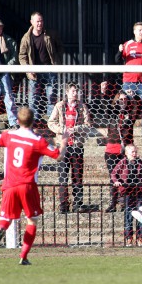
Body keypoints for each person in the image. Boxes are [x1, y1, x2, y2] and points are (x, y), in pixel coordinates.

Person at [0, 107, 68, 265]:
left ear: (17, 121)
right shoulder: (37, 141)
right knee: (32, 220)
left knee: (6, 217)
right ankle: (23, 256)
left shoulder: (9, 135)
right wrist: (63, 141)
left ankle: (0, 229)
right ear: (33, 121)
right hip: (27, 185)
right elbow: (58, 156)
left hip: (9, 184)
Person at [47, 83, 91, 213]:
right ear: (67, 92)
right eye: (73, 91)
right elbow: (50, 122)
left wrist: (75, 129)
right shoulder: (60, 106)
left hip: (77, 145)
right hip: (63, 146)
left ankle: (78, 203)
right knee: (62, 176)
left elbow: (88, 125)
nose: (75, 93)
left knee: (77, 176)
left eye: (77, 91)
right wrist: (62, 130)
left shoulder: (82, 107)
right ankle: (63, 204)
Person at [115, 22, 142, 139]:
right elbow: (117, 60)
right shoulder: (128, 44)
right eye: (139, 30)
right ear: (134, 32)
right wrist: (119, 51)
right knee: (124, 105)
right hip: (128, 81)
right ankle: (123, 129)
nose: (141, 32)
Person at [18, 12, 64, 121]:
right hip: (34, 71)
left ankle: (51, 121)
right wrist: (28, 69)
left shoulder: (50, 34)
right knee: (33, 98)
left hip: (49, 69)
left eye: (41, 21)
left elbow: (60, 47)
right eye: (37, 21)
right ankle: (34, 121)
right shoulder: (26, 38)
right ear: (32, 22)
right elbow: (22, 56)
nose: (40, 23)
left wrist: (57, 61)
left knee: (51, 96)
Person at [103, 89, 139, 213]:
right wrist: (105, 92)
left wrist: (133, 97)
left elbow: (138, 107)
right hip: (112, 150)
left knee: (125, 176)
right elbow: (106, 105)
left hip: (126, 151)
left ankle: (124, 202)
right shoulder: (112, 114)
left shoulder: (130, 115)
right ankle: (113, 202)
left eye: (125, 99)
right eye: (120, 99)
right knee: (113, 176)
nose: (123, 101)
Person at [111, 144, 142, 246]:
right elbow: (113, 174)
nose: (134, 154)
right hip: (128, 191)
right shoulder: (122, 163)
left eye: (135, 152)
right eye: (132, 152)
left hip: (139, 191)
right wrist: (116, 181)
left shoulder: (139, 161)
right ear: (126, 153)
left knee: (141, 215)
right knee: (128, 215)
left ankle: (140, 238)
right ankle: (129, 238)